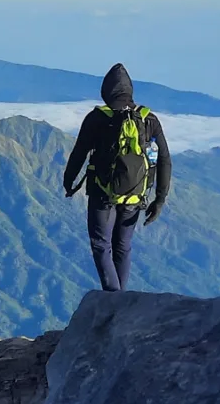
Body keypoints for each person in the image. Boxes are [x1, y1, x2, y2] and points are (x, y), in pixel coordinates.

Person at [63, 63, 171, 292]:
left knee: (101, 244)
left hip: (103, 194)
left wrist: (69, 181)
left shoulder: (97, 118)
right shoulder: (147, 119)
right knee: (122, 246)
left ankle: (114, 297)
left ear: (106, 91)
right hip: (135, 195)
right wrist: (159, 200)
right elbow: (164, 160)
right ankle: (120, 298)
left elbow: (79, 152)